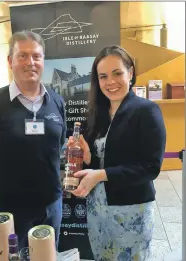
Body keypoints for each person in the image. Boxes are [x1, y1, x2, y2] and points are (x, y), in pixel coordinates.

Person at [0, 31, 67, 249]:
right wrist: (3, 174)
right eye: (22, 56)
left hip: (51, 205)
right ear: (10, 61)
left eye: (36, 56)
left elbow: (59, 143)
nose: (30, 62)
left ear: (43, 61)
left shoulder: (56, 101)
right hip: (12, 208)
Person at [67, 46, 166, 260]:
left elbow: (150, 168)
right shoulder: (96, 114)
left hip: (131, 211)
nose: (110, 82)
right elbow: (100, 162)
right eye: (103, 76)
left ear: (130, 73)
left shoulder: (146, 111)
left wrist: (101, 175)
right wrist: (87, 159)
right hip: (97, 209)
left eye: (117, 73)